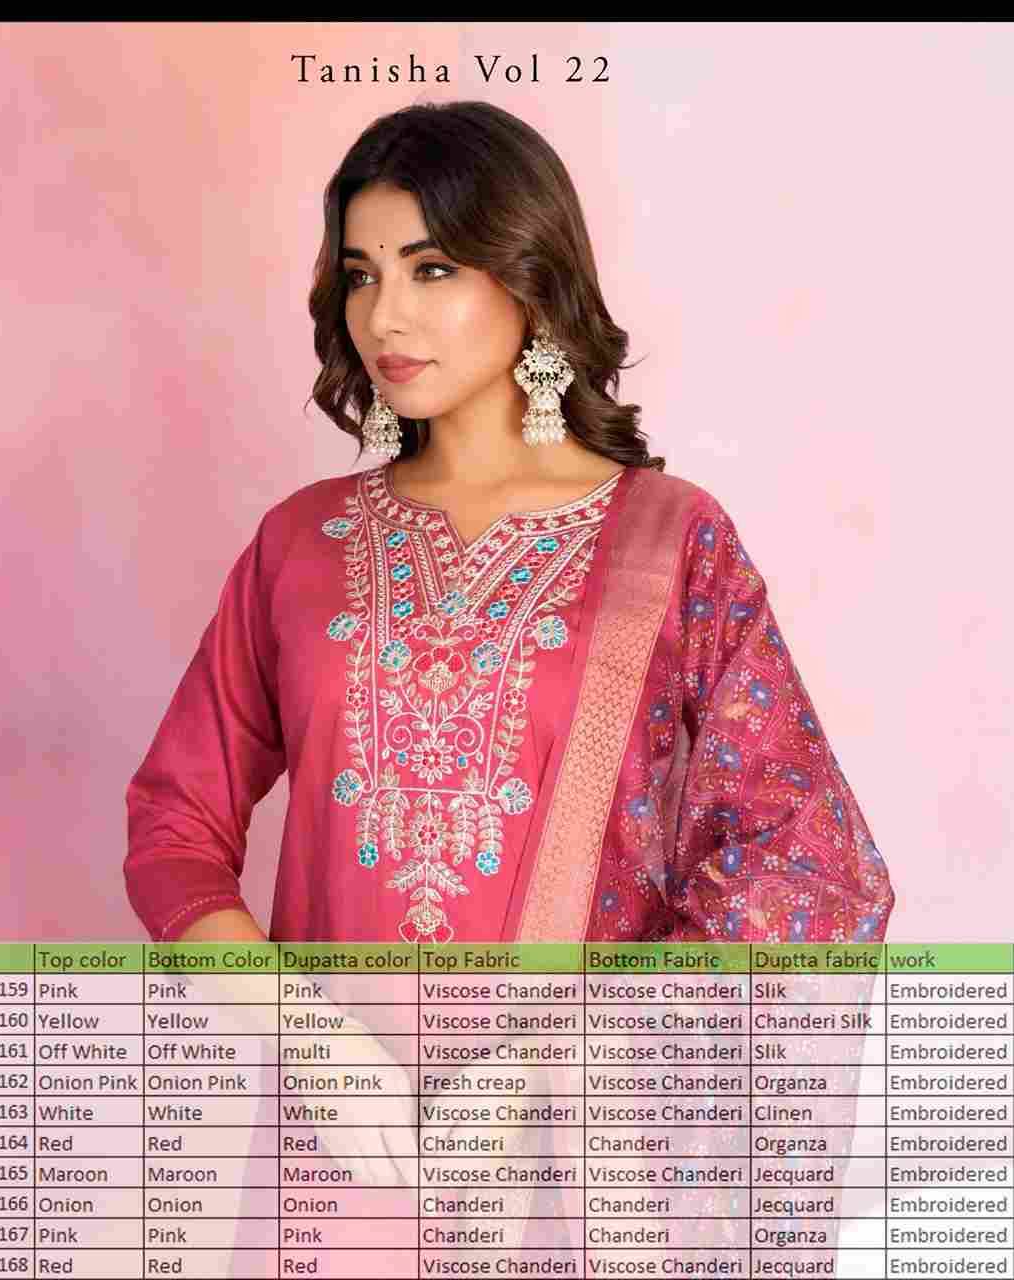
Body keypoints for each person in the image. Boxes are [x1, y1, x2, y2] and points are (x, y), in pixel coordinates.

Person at [124, 99, 895, 953]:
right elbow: (173, 824)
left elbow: (807, 864)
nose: (382, 317)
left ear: (528, 276)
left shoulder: (670, 542)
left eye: (431, 269)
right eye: (361, 276)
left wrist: (574, 1034)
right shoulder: (301, 542)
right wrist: (291, 1018)